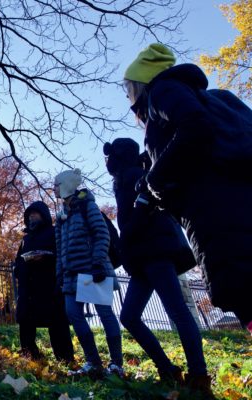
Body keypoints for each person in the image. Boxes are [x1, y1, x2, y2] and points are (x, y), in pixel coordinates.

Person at [123, 43, 252, 335]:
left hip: (217, 214)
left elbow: (196, 128)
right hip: (235, 206)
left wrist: (154, 180)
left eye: (128, 88)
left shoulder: (162, 91)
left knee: (243, 292)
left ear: (141, 84)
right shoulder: (215, 98)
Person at [104, 138, 211, 392]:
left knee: (177, 311)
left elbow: (147, 209)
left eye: (110, 156)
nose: (107, 161)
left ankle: (198, 376)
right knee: (129, 316)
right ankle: (167, 369)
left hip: (155, 252)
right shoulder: (126, 178)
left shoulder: (137, 176)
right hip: (142, 257)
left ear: (120, 156)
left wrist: (128, 232)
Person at [53, 169, 123, 378]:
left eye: (56, 184)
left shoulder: (87, 205)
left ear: (67, 184)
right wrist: (59, 273)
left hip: (91, 270)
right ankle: (93, 362)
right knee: (73, 314)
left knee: (104, 314)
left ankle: (116, 364)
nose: (54, 189)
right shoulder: (60, 216)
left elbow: (101, 234)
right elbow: (59, 247)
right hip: (70, 275)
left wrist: (98, 262)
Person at [14, 201, 74, 363]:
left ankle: (65, 359)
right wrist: (18, 271)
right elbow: (18, 260)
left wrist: (47, 257)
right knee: (26, 322)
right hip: (28, 287)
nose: (31, 217)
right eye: (29, 215)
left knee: (57, 322)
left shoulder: (54, 232)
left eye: (35, 213)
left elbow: (61, 254)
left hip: (48, 284)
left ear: (44, 215)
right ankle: (31, 357)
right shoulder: (25, 239)